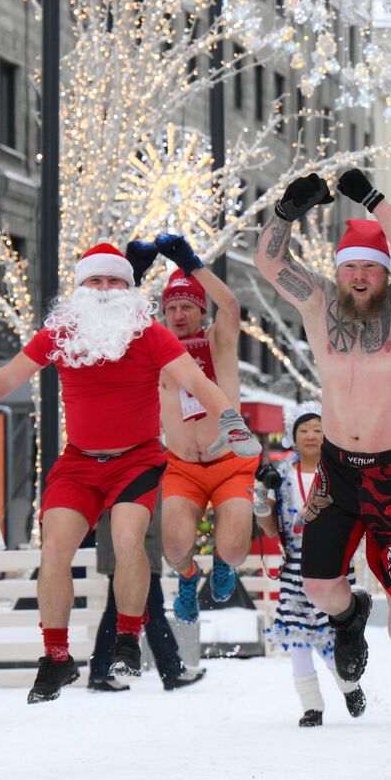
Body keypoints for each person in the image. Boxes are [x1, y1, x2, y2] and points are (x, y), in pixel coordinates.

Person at [0, 243, 259, 704]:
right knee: (54, 548)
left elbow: (199, 382)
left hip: (136, 460)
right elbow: (9, 376)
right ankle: (56, 658)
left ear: (128, 289)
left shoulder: (149, 332)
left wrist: (230, 419)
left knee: (126, 539)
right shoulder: (60, 332)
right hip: (78, 461)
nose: (104, 290)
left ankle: (126, 640)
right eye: (95, 281)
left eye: (114, 281)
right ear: (78, 289)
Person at [253, 169, 391, 764]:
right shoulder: (317, 304)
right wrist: (286, 210)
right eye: (350, 266)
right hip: (337, 471)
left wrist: (376, 200)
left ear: (384, 273)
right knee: (318, 586)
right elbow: (267, 262)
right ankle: (351, 616)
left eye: (370, 267)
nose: (359, 277)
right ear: (338, 270)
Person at [153, 234, 258, 622]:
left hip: (229, 461)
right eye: (172, 308)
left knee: (232, 548)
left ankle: (223, 563)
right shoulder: (157, 349)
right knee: (175, 549)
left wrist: (193, 264)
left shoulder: (219, 341)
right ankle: (189, 576)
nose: (178, 315)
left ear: (201, 311)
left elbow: (231, 305)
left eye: (187, 307)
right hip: (182, 466)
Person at [255, 404, 366, 727]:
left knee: (333, 633)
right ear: (292, 436)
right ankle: (311, 706)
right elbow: (268, 527)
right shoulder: (282, 473)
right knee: (297, 635)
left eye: (318, 429)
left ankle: (349, 686)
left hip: (334, 563)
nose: (311, 436)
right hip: (294, 567)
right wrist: (262, 492)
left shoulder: (340, 470)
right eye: (304, 430)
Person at [87, 496, 206, 693]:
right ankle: (171, 670)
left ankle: (101, 671)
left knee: (118, 611)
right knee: (151, 612)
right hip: (135, 555)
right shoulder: (135, 472)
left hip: (137, 552)